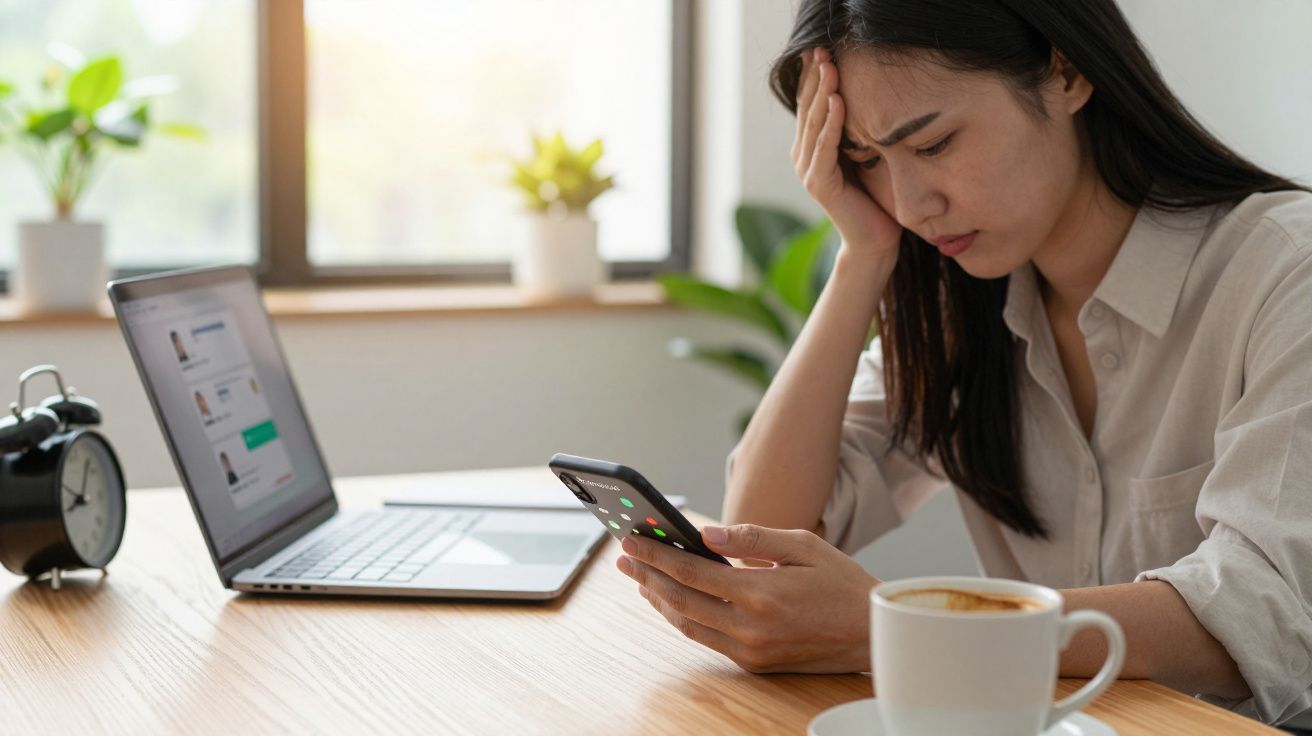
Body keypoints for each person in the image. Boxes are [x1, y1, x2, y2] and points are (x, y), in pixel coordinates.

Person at [614, 0, 1312, 729]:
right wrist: (863, 257)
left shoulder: (1286, 273)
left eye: (934, 144)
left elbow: (1265, 613)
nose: (911, 204)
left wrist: (895, 629)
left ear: (1066, 71)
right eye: (866, 163)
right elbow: (764, 535)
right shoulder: (965, 311)